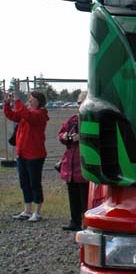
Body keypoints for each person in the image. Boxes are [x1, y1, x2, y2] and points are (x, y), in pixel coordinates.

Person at [3, 90, 49, 221]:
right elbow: (12, 115)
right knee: (24, 183)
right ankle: (27, 210)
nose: (29, 101)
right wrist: (7, 103)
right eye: (29, 99)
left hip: (35, 155)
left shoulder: (40, 114)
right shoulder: (28, 113)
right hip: (22, 154)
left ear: (39, 101)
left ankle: (37, 212)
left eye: (32, 99)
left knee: (35, 183)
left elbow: (26, 115)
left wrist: (17, 101)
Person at [57, 91, 88, 231]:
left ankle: (87, 224)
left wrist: (82, 137)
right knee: (73, 195)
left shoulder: (93, 120)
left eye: (84, 103)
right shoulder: (72, 120)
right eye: (79, 103)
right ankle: (75, 221)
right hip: (70, 165)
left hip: (84, 165)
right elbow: (61, 134)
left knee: (85, 198)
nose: (81, 106)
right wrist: (65, 136)